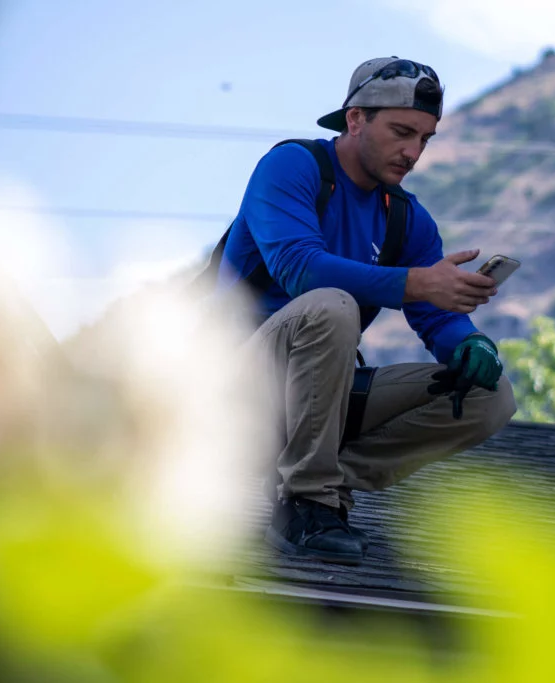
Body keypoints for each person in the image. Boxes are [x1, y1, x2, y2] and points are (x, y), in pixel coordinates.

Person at [216, 57, 516, 565]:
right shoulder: (293, 166)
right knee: (332, 307)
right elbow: (298, 267)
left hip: (316, 405)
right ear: (355, 119)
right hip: (224, 394)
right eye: (402, 132)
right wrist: (416, 282)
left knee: (491, 396)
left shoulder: (406, 220)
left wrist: (470, 342)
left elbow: (438, 317)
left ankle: (316, 481)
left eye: (425, 138)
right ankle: (307, 504)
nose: (413, 152)